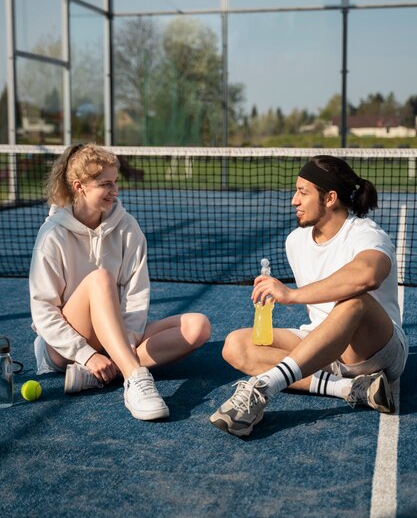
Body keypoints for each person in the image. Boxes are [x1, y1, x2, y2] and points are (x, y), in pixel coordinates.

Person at [210, 155, 408, 437]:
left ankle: (264, 387)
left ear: (329, 198)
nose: (294, 200)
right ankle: (349, 389)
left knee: (355, 301)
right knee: (235, 344)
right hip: (325, 346)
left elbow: (367, 275)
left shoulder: (367, 234)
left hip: (376, 350)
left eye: (303, 192)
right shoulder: (295, 241)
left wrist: (291, 295)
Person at [30, 143, 211, 421]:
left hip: (112, 340)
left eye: (115, 183)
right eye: (105, 184)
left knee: (198, 326)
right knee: (101, 279)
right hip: (63, 347)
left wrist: (126, 340)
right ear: (79, 187)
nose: (115, 192)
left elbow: (137, 296)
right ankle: (134, 377)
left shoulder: (128, 227)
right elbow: (43, 310)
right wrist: (87, 354)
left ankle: (103, 372)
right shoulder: (51, 236)